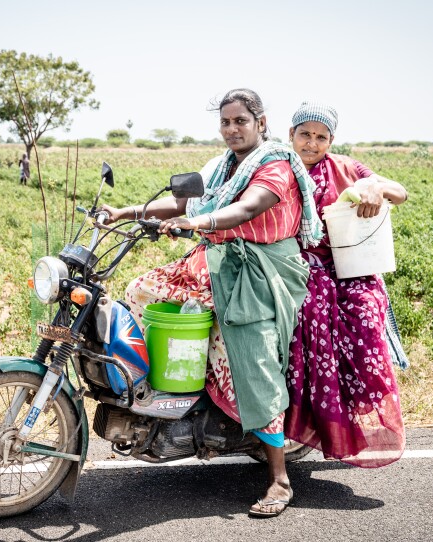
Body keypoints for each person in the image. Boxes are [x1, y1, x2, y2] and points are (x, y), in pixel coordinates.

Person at [102, 89, 324, 518]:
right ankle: (171, 400)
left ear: (260, 122)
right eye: (225, 122)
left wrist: (198, 223)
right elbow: (187, 201)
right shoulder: (224, 166)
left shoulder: (274, 164)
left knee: (248, 357)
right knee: (140, 292)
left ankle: (279, 479)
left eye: (240, 121)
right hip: (217, 261)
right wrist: (126, 212)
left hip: (261, 271)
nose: (232, 129)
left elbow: (247, 207)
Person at [284, 101, 408, 470]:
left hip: (349, 265)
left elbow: (399, 192)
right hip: (297, 265)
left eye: (321, 137)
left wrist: (373, 185)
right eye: (305, 134)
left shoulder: (346, 167)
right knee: (305, 314)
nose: (311, 143)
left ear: (331, 140)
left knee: (366, 317)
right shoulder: (277, 167)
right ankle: (298, 418)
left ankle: (350, 416)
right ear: (290, 135)